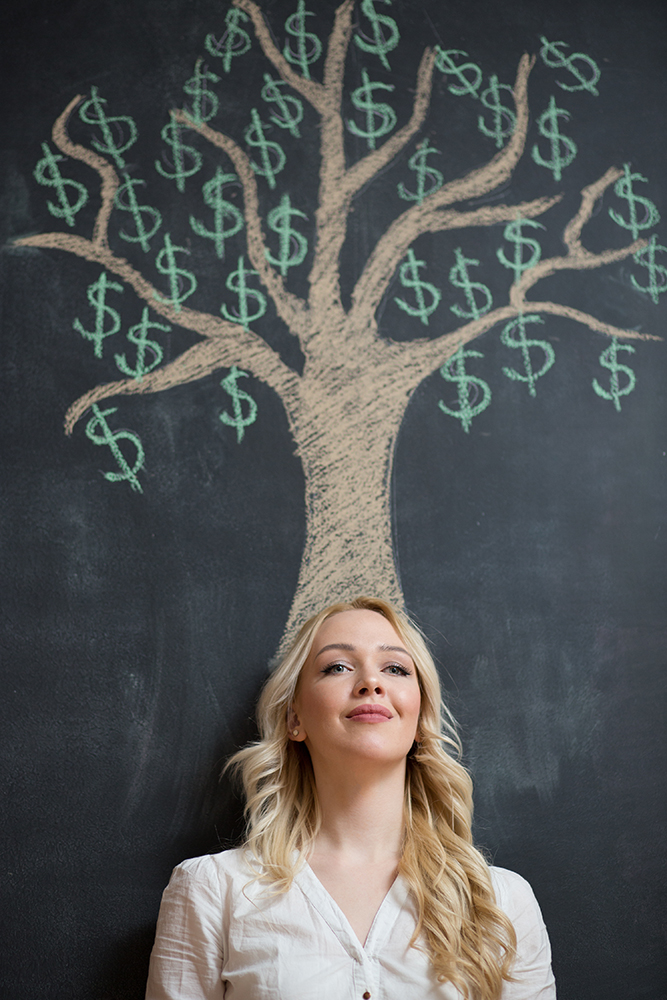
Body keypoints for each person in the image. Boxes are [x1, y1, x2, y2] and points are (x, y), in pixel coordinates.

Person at [145, 596, 556, 999]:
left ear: (418, 716)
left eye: (395, 668)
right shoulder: (213, 892)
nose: (371, 683)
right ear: (295, 718)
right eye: (337, 667)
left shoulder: (502, 902)